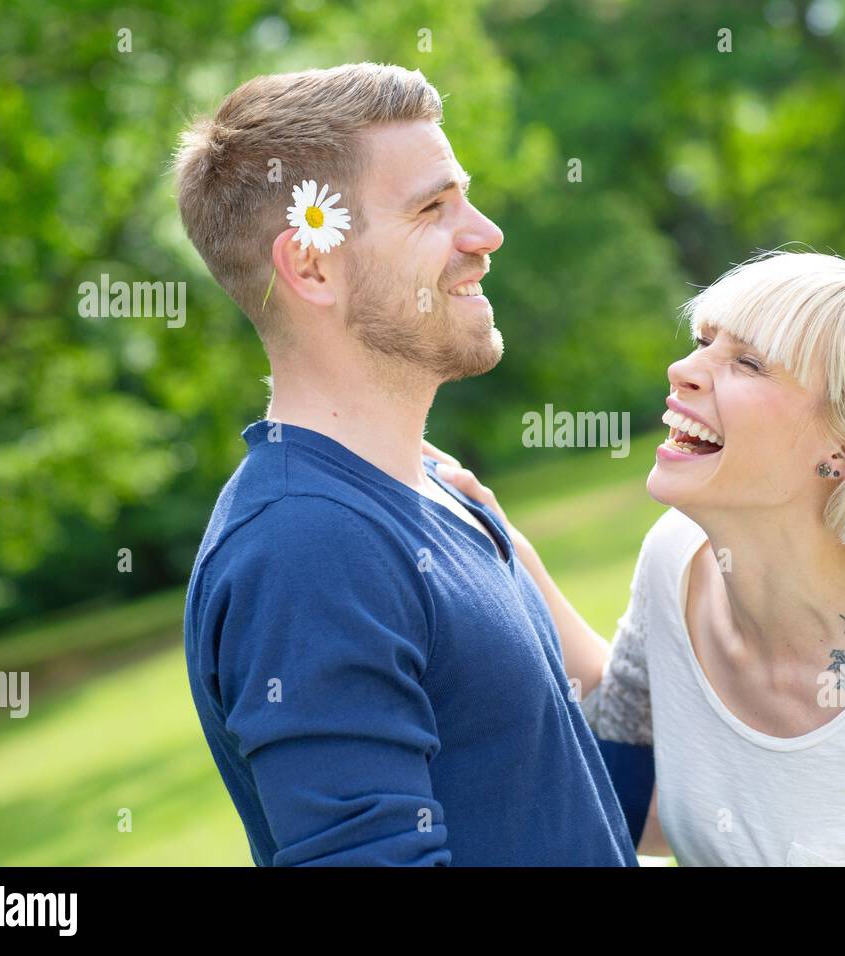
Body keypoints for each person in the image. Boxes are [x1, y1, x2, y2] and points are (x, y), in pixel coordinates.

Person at [438, 250, 845, 865]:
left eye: (749, 362)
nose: (683, 368)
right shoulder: (676, 560)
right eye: (704, 341)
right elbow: (621, 766)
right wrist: (503, 550)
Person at [173, 62, 638, 866]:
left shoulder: (436, 494)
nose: (485, 234)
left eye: (465, 195)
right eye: (432, 208)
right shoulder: (304, 550)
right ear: (312, 265)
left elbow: (597, 802)